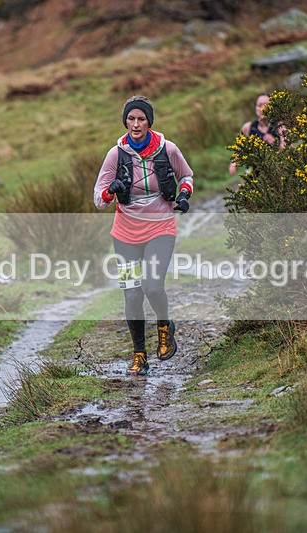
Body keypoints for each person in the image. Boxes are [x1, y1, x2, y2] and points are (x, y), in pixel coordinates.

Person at [93, 95, 194, 376]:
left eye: (141, 119)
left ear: (149, 122)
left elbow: (186, 176)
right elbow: (98, 199)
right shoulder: (116, 154)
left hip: (161, 228)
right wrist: (111, 190)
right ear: (125, 121)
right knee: (132, 295)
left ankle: (164, 326)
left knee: (152, 286)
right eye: (131, 119)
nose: (136, 124)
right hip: (125, 234)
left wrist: (184, 196)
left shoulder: (167, 149)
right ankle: (139, 355)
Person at [228, 93, 287, 175]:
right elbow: (240, 148)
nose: (262, 108)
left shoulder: (280, 127)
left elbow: (288, 152)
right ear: (256, 109)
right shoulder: (248, 127)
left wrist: (275, 144)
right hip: (253, 173)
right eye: (259, 105)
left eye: (266, 105)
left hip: (275, 173)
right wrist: (233, 164)